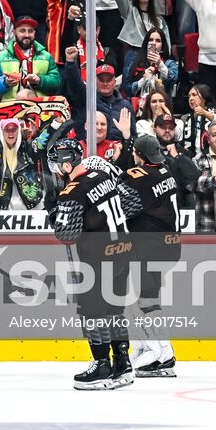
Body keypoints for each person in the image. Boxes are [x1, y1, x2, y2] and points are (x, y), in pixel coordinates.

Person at [48, 135, 143, 390]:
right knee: (114, 310)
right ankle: (122, 363)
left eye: (56, 164)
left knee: (92, 313)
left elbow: (65, 234)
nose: (55, 170)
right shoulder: (103, 176)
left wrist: (56, 213)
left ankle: (101, 365)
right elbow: (133, 204)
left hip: (98, 257)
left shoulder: (72, 190)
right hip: (123, 250)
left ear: (66, 164)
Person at [122, 133, 180, 378]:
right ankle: (161, 351)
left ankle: (161, 353)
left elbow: (121, 206)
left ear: (139, 154)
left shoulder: (141, 176)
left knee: (145, 301)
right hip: (169, 244)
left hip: (151, 244)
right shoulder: (166, 171)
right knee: (145, 299)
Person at [0, 16, 61, 102]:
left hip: (39, 107)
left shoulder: (46, 56)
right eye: (22, 31)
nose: (27, 35)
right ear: (14, 32)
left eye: (30, 31)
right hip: (10, 107)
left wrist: (40, 80)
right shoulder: (1, 56)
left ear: (35, 33)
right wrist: (5, 82)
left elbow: (57, 81)